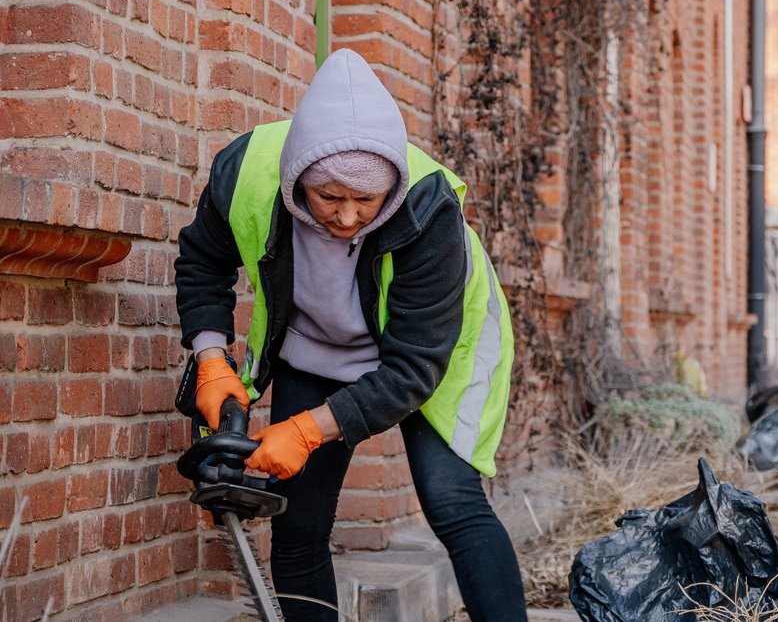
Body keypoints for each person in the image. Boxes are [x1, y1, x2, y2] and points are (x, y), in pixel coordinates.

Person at [175, 48, 527, 621]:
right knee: (300, 523)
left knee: (451, 500)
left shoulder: (427, 208)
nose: (346, 217)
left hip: (437, 348)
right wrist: (212, 359)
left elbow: (413, 368)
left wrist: (310, 429)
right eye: (329, 197)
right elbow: (202, 262)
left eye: (366, 201)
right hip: (318, 345)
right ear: (297, 181)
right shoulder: (247, 174)